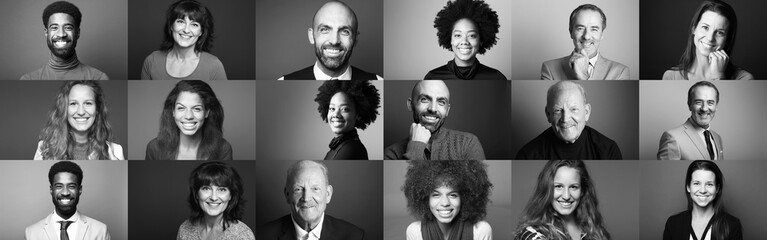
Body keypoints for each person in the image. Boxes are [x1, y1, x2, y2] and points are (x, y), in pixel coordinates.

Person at [258, 160, 365, 240]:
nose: (306, 198)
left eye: (315, 189)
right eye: (298, 189)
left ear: (328, 194)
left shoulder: (354, 236)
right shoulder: (262, 235)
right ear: (287, 194)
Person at [516, 81, 622, 160]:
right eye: (558, 110)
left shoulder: (608, 150)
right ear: (548, 114)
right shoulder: (528, 155)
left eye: (573, 109)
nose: (565, 119)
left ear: (586, 112)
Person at [279, 1, 382, 80]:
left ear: (355, 39)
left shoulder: (378, 81)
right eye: (325, 30)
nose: (334, 41)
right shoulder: (283, 82)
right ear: (311, 36)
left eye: (345, 31)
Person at [384, 80, 486, 160]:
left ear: (447, 110)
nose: (433, 109)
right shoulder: (391, 154)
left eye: (441, 102)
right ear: (410, 105)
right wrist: (415, 147)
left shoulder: (467, 143)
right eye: (424, 99)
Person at [514, 160, 610, 240]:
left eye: (573, 187)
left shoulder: (595, 230)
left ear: (582, 191)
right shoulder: (532, 234)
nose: (566, 196)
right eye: (558, 186)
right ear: (547, 190)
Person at [403, 160, 493, 240]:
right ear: (425, 198)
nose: (445, 203)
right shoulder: (415, 232)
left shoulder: (481, 231)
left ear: (465, 198)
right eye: (436, 195)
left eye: (453, 195)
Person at [662, 0, 752, 80]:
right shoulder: (671, 76)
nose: (710, 38)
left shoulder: (744, 79)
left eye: (720, 32)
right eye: (705, 27)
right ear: (694, 29)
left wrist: (718, 76)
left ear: (727, 39)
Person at [34, 81, 123, 160]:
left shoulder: (116, 151)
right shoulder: (44, 148)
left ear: (97, 109)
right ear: (64, 109)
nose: (81, 112)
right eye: (73, 103)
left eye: (88, 103)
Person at [145, 80, 232, 160]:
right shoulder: (154, 148)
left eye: (197, 109)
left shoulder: (223, 149)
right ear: (173, 111)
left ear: (206, 112)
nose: (189, 116)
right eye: (181, 108)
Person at [21, 1, 108, 80]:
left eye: (68, 27)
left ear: (77, 33)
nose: (61, 34)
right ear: (46, 33)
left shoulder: (98, 77)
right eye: (54, 28)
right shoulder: (28, 79)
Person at [141, 0, 227, 80]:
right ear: (171, 25)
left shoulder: (214, 66)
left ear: (201, 32)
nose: (186, 30)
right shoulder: (151, 61)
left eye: (194, 24)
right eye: (181, 22)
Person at [541, 4, 629, 80]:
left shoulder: (620, 71)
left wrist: (583, 77)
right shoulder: (550, 68)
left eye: (594, 29)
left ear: (602, 34)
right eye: (580, 28)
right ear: (571, 32)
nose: (586, 36)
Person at [26, 161, 110, 240]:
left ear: (79, 190)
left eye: (71, 186)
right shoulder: (31, 233)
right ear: (51, 190)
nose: (65, 193)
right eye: (59, 186)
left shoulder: (100, 230)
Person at [424, 0, 506, 80]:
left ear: (481, 40)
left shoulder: (496, 78)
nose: (464, 42)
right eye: (458, 35)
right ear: (450, 39)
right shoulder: (433, 77)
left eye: (472, 35)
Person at [663, 160, 742, 240]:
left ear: (717, 189)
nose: (703, 190)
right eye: (696, 183)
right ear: (688, 187)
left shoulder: (732, 225)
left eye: (709, 184)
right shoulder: (673, 223)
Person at [177, 161, 255, 240]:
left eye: (222, 189)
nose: (214, 198)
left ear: (231, 195)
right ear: (196, 194)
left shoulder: (242, 235)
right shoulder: (184, 229)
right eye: (206, 188)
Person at [314, 80, 380, 160]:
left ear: (358, 115)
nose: (336, 114)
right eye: (332, 108)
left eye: (344, 109)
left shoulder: (351, 149)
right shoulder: (339, 147)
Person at [658, 81, 723, 160]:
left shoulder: (717, 138)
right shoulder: (672, 137)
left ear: (716, 106)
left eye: (710, 103)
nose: (704, 108)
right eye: (698, 102)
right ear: (689, 105)